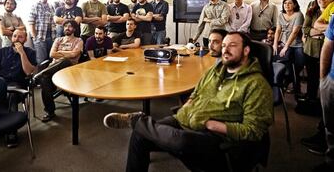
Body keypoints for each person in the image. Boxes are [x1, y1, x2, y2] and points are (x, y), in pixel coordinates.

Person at [103, 32, 273, 172]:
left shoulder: (256, 85)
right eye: (223, 46)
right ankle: (140, 123)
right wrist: (190, 101)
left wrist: (216, 126)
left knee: (180, 141)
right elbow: (198, 89)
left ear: (246, 51)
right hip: (187, 118)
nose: (225, 50)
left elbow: (255, 131)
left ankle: (138, 120)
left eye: (232, 45)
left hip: (216, 136)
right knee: (140, 135)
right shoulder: (216, 69)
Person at [0, 29, 36, 147]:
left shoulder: (30, 52)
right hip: (0, 84)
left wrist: (22, 53)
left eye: (20, 37)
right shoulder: (1, 52)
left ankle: (11, 131)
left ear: (25, 39)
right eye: (14, 36)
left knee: (11, 94)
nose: (16, 39)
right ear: (11, 38)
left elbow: (29, 72)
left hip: (18, 86)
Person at [301, 0, 334, 155]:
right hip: (313, 52)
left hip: (325, 53)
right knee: (315, 84)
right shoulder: (313, 11)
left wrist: (320, 31)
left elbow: (317, 31)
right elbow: (308, 29)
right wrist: (321, 30)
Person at [40, 20, 83, 122]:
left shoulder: (78, 41)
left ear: (74, 29)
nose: (67, 28)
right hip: (53, 69)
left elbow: (74, 55)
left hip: (69, 69)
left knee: (65, 61)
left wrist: (59, 52)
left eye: (70, 26)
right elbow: (51, 54)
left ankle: (40, 75)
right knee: (45, 81)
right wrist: (68, 53)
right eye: (65, 26)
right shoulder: (58, 39)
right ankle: (50, 112)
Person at [312, 15, 334, 172]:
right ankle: (331, 161)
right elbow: (327, 46)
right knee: (331, 126)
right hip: (332, 81)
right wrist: (323, 79)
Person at [273, 0, 304, 99]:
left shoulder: (298, 15)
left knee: (299, 64)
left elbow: (295, 32)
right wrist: (275, 44)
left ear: (294, 5)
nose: (287, 5)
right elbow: (278, 30)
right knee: (286, 64)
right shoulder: (281, 15)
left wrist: (286, 47)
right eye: (285, 3)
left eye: (290, 3)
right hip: (284, 42)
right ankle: (294, 87)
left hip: (297, 44)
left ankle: (290, 81)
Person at [28, 0, 56, 64]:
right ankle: (41, 76)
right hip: (40, 37)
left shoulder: (51, 7)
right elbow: (31, 21)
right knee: (41, 61)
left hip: (50, 36)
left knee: (51, 59)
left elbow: (53, 21)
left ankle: (49, 76)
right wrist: (35, 37)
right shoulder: (35, 6)